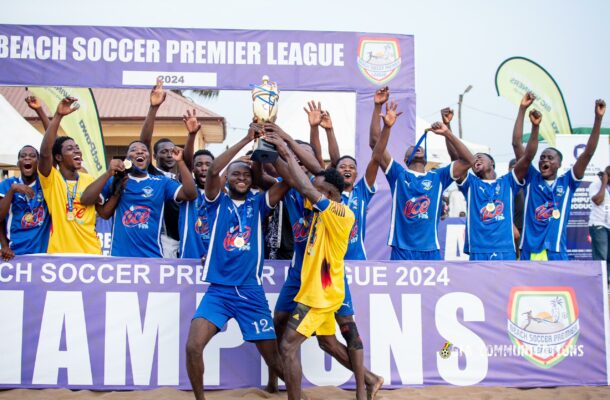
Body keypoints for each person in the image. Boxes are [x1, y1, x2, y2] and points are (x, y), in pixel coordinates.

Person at [185, 124, 289, 400]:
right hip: (218, 290)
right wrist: (245, 140)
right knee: (194, 346)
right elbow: (214, 169)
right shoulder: (215, 202)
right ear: (226, 179)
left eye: (245, 174)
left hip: (250, 292)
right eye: (235, 174)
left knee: (275, 360)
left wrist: (271, 148)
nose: (241, 177)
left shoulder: (259, 203)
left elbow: (287, 182)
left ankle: (295, 395)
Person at [265, 131, 355, 400]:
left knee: (290, 345)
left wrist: (286, 145)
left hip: (322, 287)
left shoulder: (335, 208)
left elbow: (308, 183)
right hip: (305, 278)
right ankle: (368, 380)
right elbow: (296, 179)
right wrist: (269, 143)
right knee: (326, 342)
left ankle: (298, 397)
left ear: (329, 192)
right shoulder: (315, 196)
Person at [370, 89, 474, 260]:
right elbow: (375, 143)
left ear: (427, 157)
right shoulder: (398, 174)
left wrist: (447, 132)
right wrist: (377, 107)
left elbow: (468, 160)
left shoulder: (438, 177)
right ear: (405, 158)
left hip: (430, 250)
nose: (417, 147)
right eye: (412, 148)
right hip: (402, 250)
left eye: (420, 147)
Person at [515, 99, 606, 260]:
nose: (545, 160)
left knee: (557, 287)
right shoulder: (531, 178)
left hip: (555, 251)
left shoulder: (567, 182)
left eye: (550, 158)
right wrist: (524, 111)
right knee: (527, 287)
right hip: (530, 251)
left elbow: (588, 153)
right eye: (542, 157)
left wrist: (598, 118)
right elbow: (517, 144)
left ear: (559, 164)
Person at [81, 137, 197, 257]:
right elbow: (86, 200)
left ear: (149, 158)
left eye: (144, 150)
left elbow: (191, 194)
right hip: (119, 257)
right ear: (127, 158)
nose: (140, 151)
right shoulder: (116, 180)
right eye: (134, 150)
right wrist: (108, 173)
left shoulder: (162, 182)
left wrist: (181, 162)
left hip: (153, 257)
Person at [457, 108, 541, 260]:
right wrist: (448, 131)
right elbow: (457, 158)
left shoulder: (508, 182)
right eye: (474, 159)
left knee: (505, 285)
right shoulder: (471, 184)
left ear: (492, 162)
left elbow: (527, 156)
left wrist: (534, 125)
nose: (476, 159)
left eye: (480, 156)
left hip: (505, 250)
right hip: (478, 251)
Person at [38, 96, 102, 254]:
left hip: (91, 253)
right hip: (59, 254)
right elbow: (46, 152)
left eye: (77, 147)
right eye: (70, 149)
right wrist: (58, 116)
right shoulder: (52, 179)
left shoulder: (89, 179)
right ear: (58, 157)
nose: (77, 151)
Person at [139, 79, 182, 257]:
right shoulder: (154, 174)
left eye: (172, 151)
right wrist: (153, 108)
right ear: (154, 157)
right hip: (164, 240)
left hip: (187, 238)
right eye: (164, 152)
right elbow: (144, 142)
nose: (170, 154)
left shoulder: (183, 174)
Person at [0, 145, 51, 258]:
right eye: (23, 156)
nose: (27, 158)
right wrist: (12, 190)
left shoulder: (46, 185)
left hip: (42, 254)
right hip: (14, 253)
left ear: (38, 163)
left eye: (32, 156)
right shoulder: (7, 185)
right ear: (18, 164)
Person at [179, 109, 216, 259]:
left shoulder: (223, 192)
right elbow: (186, 163)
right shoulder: (186, 190)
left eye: (208, 164)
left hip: (216, 260)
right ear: (193, 169)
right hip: (189, 259)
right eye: (199, 164)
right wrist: (192, 135)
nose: (204, 168)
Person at [589, 166, 610, 288]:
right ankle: (599, 285)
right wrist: (604, 183)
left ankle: (607, 284)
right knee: (601, 257)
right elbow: (598, 200)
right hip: (598, 225)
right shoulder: (595, 185)